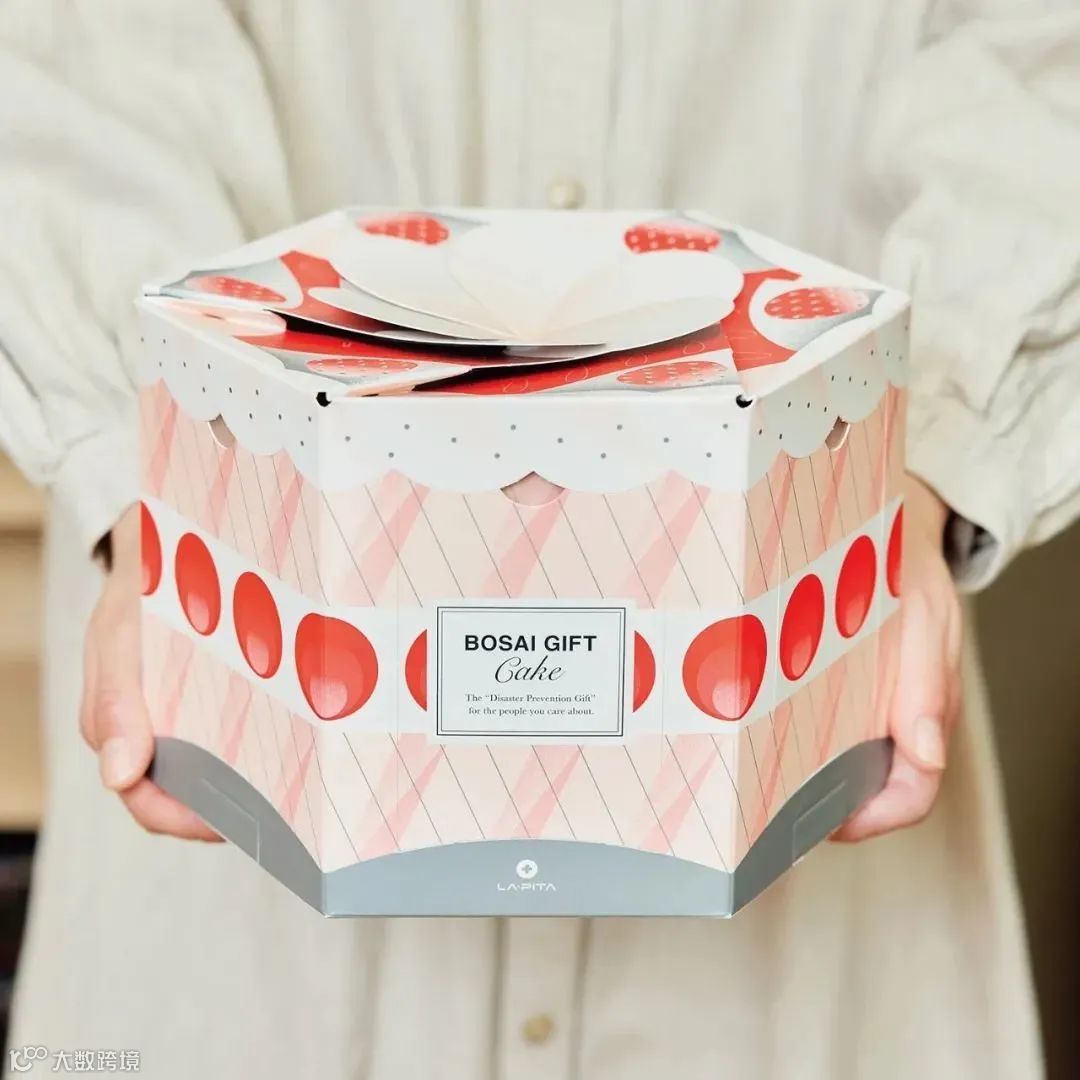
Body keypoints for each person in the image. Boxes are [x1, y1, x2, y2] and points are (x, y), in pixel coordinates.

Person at [2, 2, 1077, 1077]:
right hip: (243, 901)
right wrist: (168, 471)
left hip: (812, 858)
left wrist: (910, 464)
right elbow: (72, 57)